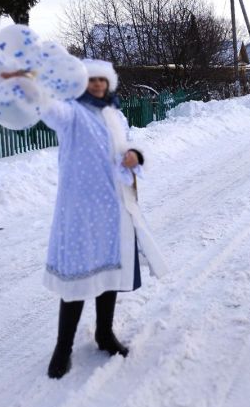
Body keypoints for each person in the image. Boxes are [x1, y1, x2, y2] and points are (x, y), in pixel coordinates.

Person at [30, 58, 168, 379]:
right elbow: (48, 108)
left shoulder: (114, 114)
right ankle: (62, 348)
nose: (97, 85)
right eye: (91, 80)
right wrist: (33, 83)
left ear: (109, 84)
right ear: (81, 83)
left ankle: (104, 334)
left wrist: (136, 156)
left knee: (108, 275)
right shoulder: (71, 113)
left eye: (102, 81)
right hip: (80, 212)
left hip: (114, 209)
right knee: (76, 278)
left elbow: (129, 146)